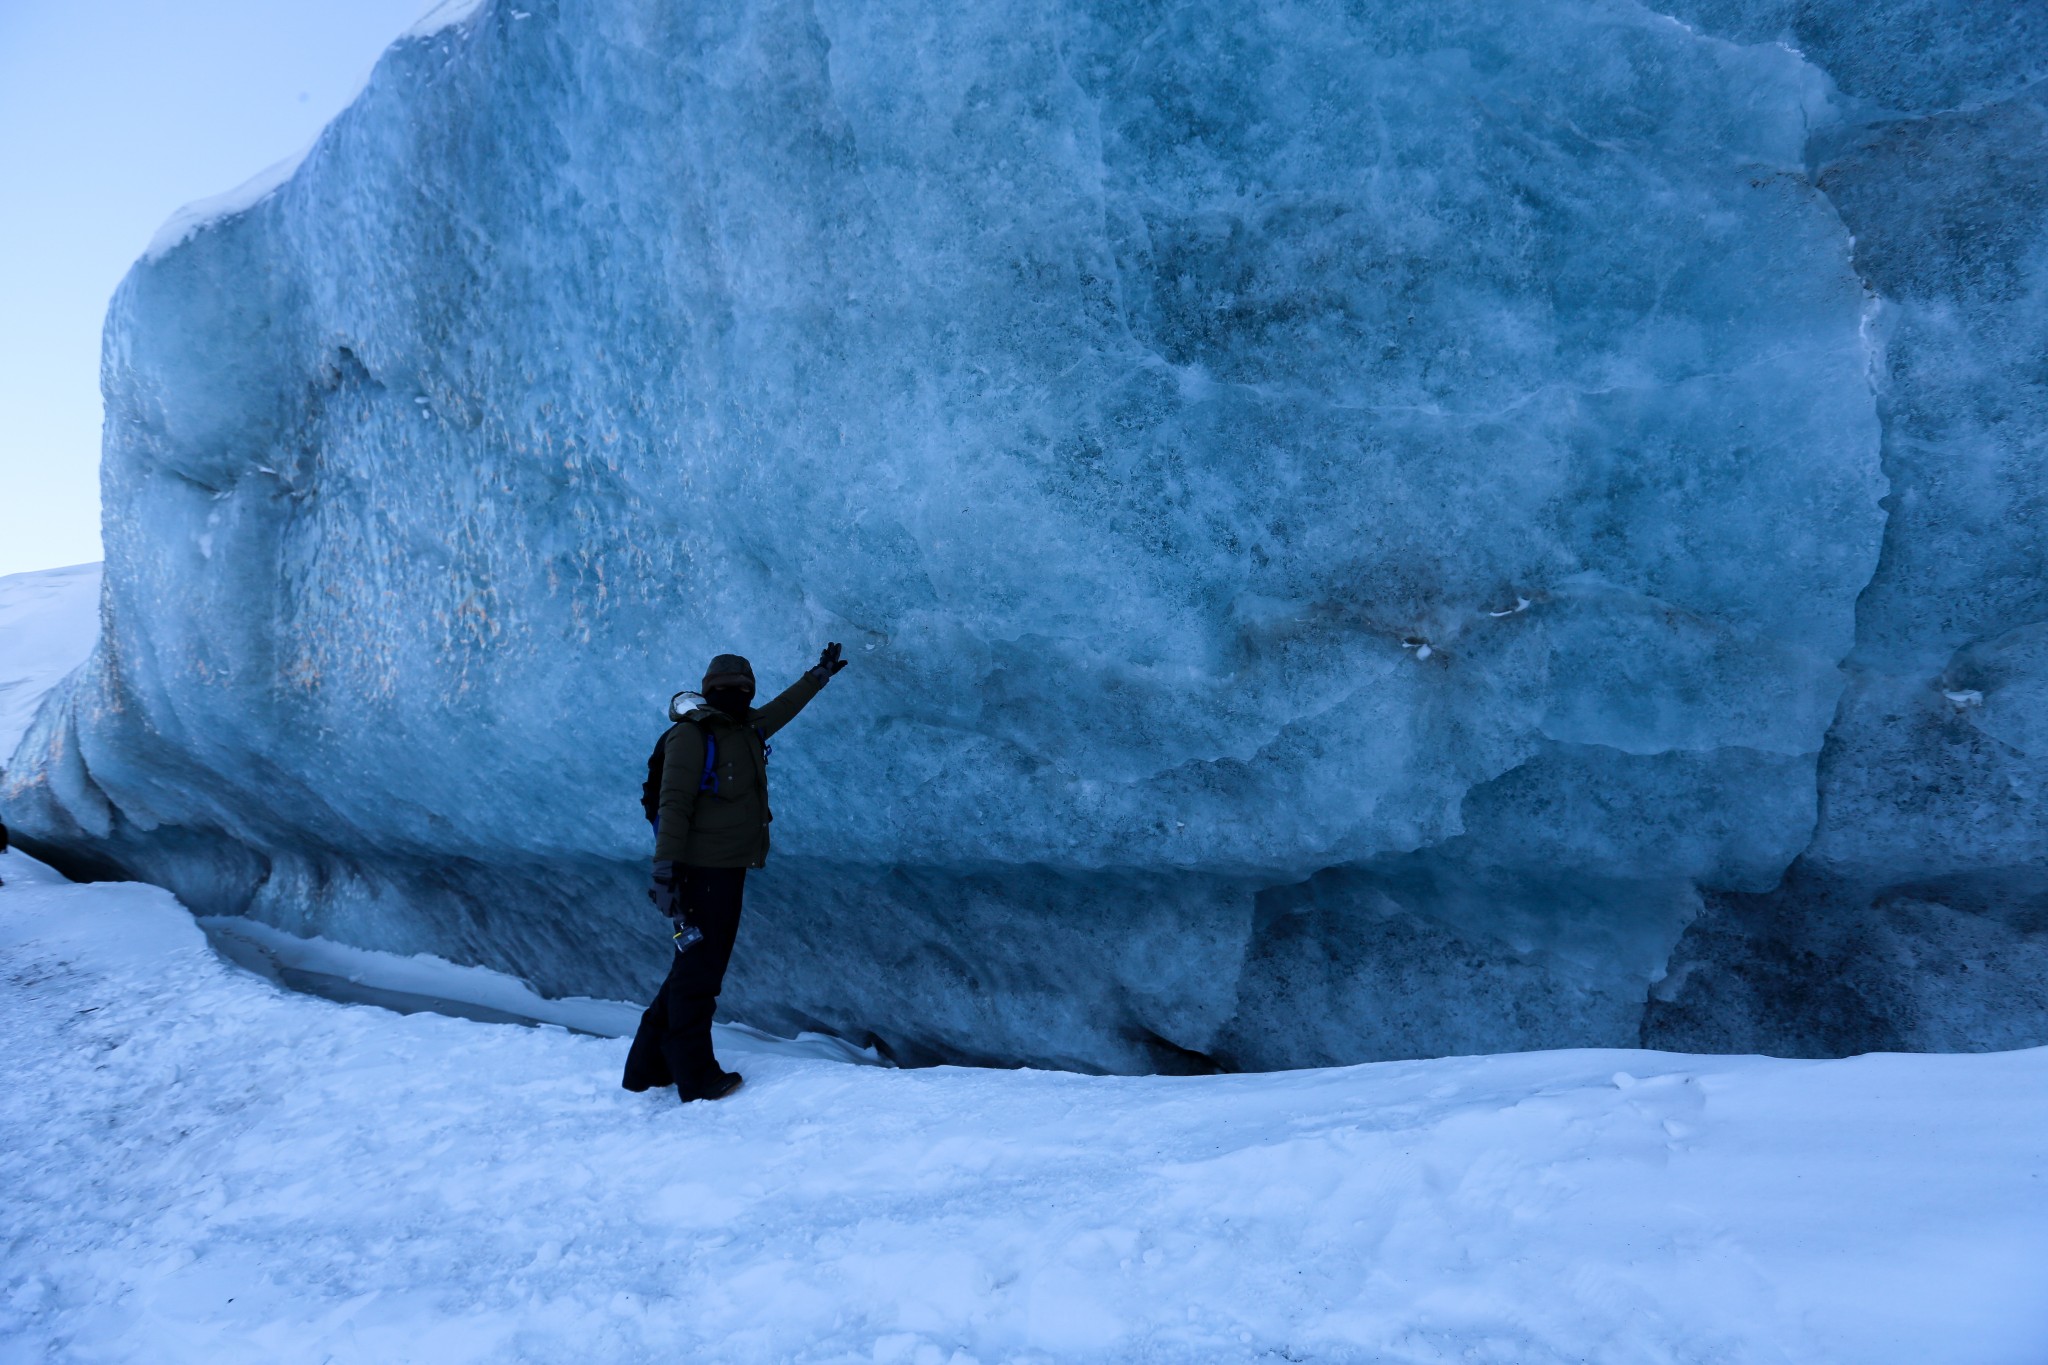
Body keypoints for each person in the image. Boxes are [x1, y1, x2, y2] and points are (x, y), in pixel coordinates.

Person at [622, 643, 847, 1101]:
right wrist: (664, 871)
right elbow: (674, 805)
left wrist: (818, 677)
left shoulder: (747, 727)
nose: (736, 695)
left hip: (726, 870)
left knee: (692, 969)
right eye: (728, 689)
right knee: (699, 977)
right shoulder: (691, 735)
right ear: (709, 692)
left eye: (742, 689)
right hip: (700, 871)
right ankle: (696, 1076)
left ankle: (645, 1067)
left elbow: (786, 707)